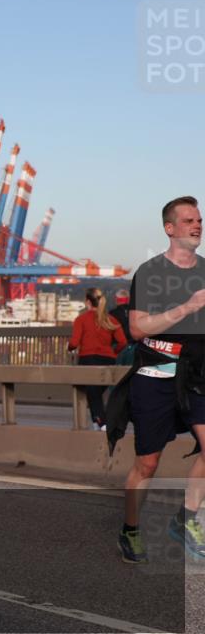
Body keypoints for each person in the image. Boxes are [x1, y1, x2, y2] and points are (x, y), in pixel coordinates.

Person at [112, 196, 205, 563]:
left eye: (199, 220)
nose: (197, 226)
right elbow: (137, 329)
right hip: (155, 377)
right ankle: (131, 529)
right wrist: (188, 307)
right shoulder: (150, 273)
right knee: (147, 464)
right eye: (188, 221)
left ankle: (186, 518)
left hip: (197, 376)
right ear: (169, 228)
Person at [68, 288, 127, 430]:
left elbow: (74, 343)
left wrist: (69, 348)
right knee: (94, 392)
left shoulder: (81, 319)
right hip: (108, 360)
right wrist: (113, 352)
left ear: (88, 301)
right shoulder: (110, 319)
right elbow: (123, 342)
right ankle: (99, 422)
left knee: (92, 392)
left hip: (88, 360)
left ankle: (102, 422)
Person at [110, 289, 135, 365]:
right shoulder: (135, 313)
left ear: (117, 299)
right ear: (128, 299)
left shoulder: (112, 314)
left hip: (118, 347)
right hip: (134, 346)